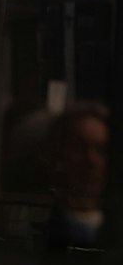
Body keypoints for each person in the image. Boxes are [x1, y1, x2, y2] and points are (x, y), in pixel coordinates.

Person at [45, 102, 109, 251]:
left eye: (101, 150)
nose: (91, 160)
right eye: (79, 148)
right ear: (59, 152)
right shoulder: (40, 224)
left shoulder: (114, 225)